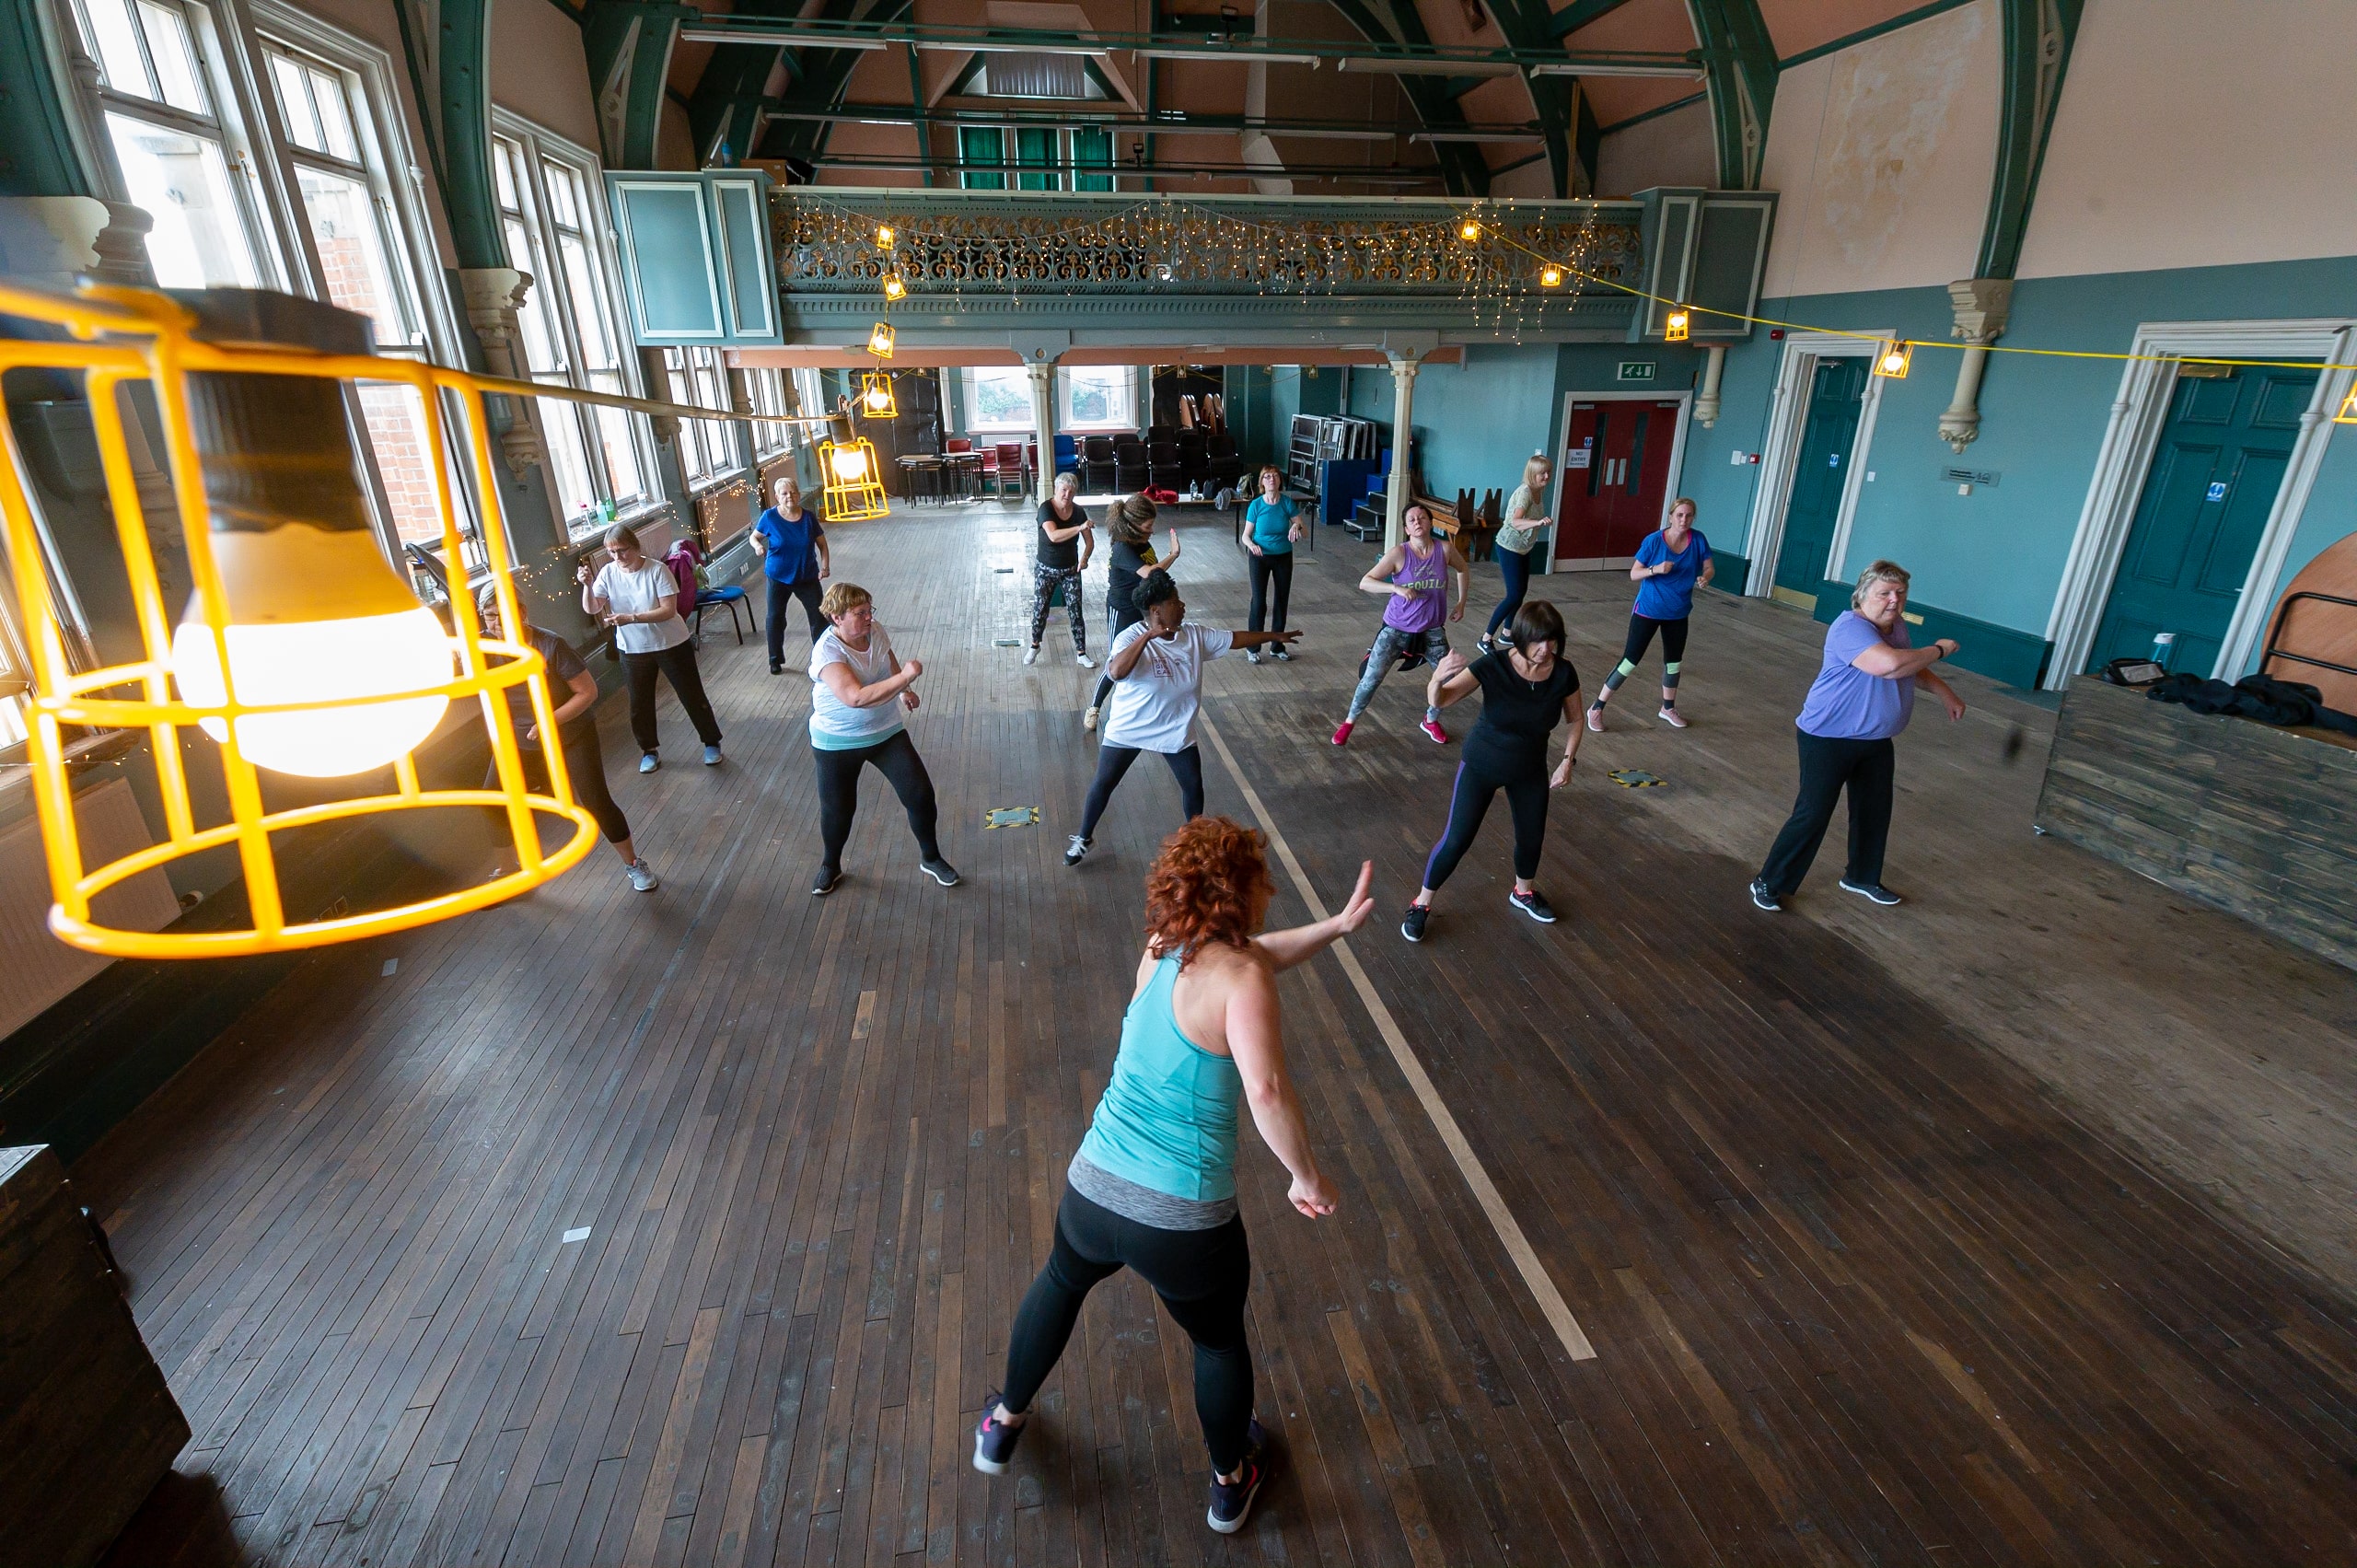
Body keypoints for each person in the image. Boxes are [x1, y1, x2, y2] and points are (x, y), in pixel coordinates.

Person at [973, 817, 1373, 1535]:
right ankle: (1229, 1481)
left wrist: (1335, 927)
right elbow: (1268, 1092)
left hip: (1094, 1185)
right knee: (1217, 1342)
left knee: (1060, 1283)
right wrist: (1306, 1178)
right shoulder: (1242, 978)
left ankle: (1003, 1422)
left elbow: (1256, 957)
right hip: (1181, 1219)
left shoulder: (1161, 948)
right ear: (1246, 889)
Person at [1751, 561, 1965, 912]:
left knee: (1874, 810)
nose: (1894, 600)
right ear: (1863, 595)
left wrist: (1944, 692)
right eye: (1884, 593)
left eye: (1900, 593)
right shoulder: (1849, 628)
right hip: (1828, 737)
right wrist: (1940, 649)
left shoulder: (1895, 628)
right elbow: (1889, 665)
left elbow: (1908, 666)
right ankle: (1769, 881)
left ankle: (1861, 877)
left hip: (1875, 740)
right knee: (1813, 812)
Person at [1066, 571, 1295, 865]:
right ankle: (1084, 838)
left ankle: (1194, 843)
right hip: (1129, 727)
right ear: (1155, 611)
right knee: (1103, 783)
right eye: (1175, 602)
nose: (1183, 605)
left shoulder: (1194, 635)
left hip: (1174, 730)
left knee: (1193, 786)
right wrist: (1149, 636)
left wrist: (1272, 636)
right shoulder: (1131, 636)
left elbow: (1235, 638)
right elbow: (1117, 672)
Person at [1401, 599, 1585, 942]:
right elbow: (1441, 701)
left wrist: (1567, 759)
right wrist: (1437, 679)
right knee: (1457, 840)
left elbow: (1576, 719)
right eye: (1539, 642)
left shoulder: (1563, 672)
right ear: (1522, 639)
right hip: (1482, 764)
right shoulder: (1494, 665)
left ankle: (1523, 892)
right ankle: (1421, 903)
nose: (1546, 650)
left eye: (1553, 641)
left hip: (1529, 768)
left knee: (1531, 838)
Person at [475, 587, 656, 892]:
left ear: (521, 612)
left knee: (596, 800)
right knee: (492, 799)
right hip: (517, 736)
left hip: (570, 732)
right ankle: (507, 869)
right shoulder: (483, 646)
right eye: (490, 617)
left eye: (502, 616)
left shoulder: (551, 645)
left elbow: (587, 692)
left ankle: (634, 864)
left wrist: (548, 721)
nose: (496, 624)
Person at [807, 582, 960, 894]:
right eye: (860, 613)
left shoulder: (873, 631)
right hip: (837, 740)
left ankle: (931, 858)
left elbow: (886, 656)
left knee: (920, 795)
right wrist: (906, 676)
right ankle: (830, 865)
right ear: (837, 617)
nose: (868, 618)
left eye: (869, 611)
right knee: (839, 810)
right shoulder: (827, 651)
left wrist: (902, 689)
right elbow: (855, 697)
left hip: (885, 731)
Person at [579, 523, 723, 773]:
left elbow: (668, 610)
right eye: (611, 552)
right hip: (633, 649)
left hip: (671, 643)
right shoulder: (608, 572)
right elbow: (592, 608)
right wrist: (587, 585)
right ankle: (648, 750)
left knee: (691, 695)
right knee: (639, 703)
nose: (617, 557)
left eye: (622, 550)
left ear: (634, 546)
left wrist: (631, 618)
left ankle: (711, 742)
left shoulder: (657, 571)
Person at [1330, 504, 1467, 748]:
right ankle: (1349, 722)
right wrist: (1395, 588)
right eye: (1412, 520)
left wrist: (1461, 603)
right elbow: (1365, 582)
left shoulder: (1444, 550)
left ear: (1430, 523)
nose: (1417, 522)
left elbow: (1463, 568)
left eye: (1422, 518)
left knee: (1450, 679)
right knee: (1371, 679)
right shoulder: (1399, 554)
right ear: (1406, 528)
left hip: (1432, 630)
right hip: (1396, 629)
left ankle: (1430, 720)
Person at [1587, 497, 1713, 731]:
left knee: (1673, 663)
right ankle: (1596, 707)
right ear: (1671, 516)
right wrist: (1656, 569)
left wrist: (1706, 576)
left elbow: (1709, 566)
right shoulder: (1654, 541)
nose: (1684, 520)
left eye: (1688, 516)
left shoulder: (1698, 540)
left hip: (1678, 612)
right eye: (1679, 515)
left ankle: (1668, 707)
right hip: (1649, 609)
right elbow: (1634, 574)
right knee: (1629, 661)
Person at [1086, 495, 1180, 732]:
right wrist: (1174, 555)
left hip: (1143, 608)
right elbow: (1149, 573)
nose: (1151, 530)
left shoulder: (1143, 544)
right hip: (1123, 609)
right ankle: (1095, 707)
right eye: (1147, 526)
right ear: (1133, 524)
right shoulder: (1122, 548)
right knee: (1116, 660)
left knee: (1149, 656)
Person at [755, 475, 830, 675]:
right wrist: (757, 547)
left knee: (819, 617)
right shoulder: (769, 517)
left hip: (806, 575)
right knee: (775, 617)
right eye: (785, 493)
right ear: (777, 496)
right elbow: (755, 537)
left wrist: (825, 566)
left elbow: (822, 544)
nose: (790, 497)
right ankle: (775, 659)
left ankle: (824, 658)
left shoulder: (808, 518)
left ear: (798, 494)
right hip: (778, 576)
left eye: (793, 492)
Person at [1480, 453, 1552, 651]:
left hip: (1524, 547)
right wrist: (1538, 522)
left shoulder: (1540, 491)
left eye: (1548, 472)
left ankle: (1507, 633)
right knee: (1513, 595)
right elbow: (1515, 521)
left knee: (1520, 592)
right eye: (1542, 473)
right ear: (1532, 474)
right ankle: (1486, 638)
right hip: (1509, 547)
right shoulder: (1525, 493)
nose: (1546, 477)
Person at [1026, 471, 1096, 668]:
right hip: (1045, 568)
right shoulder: (1046, 508)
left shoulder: (1079, 512)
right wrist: (1079, 527)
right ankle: (1034, 645)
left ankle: (1081, 652)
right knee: (1040, 608)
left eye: (1071, 492)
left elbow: (1089, 542)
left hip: (1070, 569)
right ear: (1056, 489)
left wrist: (1085, 559)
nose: (1067, 495)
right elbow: (1053, 536)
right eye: (1064, 490)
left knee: (1075, 610)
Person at [1239, 466, 1303, 664]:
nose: (1271, 479)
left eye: (1275, 476)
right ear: (1262, 482)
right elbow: (1245, 536)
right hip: (1260, 556)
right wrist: (1252, 546)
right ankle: (1253, 646)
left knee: (1281, 600)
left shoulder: (1286, 503)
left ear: (1279, 481)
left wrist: (1296, 525)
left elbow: (1302, 527)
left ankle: (1277, 645)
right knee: (1259, 602)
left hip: (1283, 556)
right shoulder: (1256, 505)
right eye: (1267, 477)